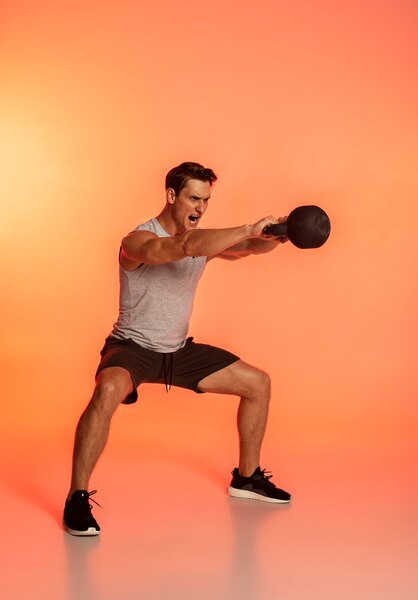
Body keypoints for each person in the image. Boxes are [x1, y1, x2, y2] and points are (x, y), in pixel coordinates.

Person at [64, 161, 291, 536]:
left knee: (258, 383)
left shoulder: (202, 241)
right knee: (106, 391)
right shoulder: (136, 241)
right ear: (172, 196)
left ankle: (246, 478)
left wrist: (277, 235)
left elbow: (247, 248)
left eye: (206, 200)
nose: (200, 208)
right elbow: (181, 247)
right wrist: (248, 227)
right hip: (132, 348)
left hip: (178, 351)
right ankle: (76, 497)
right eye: (194, 198)